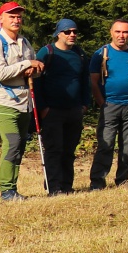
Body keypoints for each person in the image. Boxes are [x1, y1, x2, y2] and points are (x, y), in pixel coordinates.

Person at [0, 2, 44, 201]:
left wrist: (35, 69)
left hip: (24, 102)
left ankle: (12, 188)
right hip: (2, 102)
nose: (16, 20)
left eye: (19, 17)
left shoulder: (24, 42)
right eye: (11, 16)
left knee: (20, 144)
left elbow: (35, 70)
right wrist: (27, 64)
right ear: (1, 19)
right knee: (13, 141)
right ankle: (6, 190)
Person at [34, 18, 88, 196]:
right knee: (54, 149)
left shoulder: (79, 54)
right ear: (58, 33)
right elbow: (37, 81)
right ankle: (54, 187)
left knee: (69, 150)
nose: (72, 35)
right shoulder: (47, 52)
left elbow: (84, 80)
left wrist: (84, 104)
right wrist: (43, 107)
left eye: (75, 31)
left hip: (74, 110)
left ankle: (66, 185)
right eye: (68, 32)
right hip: (52, 111)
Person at [89, 19, 128, 190]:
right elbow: (93, 81)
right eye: (118, 32)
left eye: (125, 32)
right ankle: (97, 181)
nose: (122, 35)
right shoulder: (101, 54)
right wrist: (102, 103)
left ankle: (122, 179)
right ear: (111, 32)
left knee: (127, 145)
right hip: (110, 105)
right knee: (106, 144)